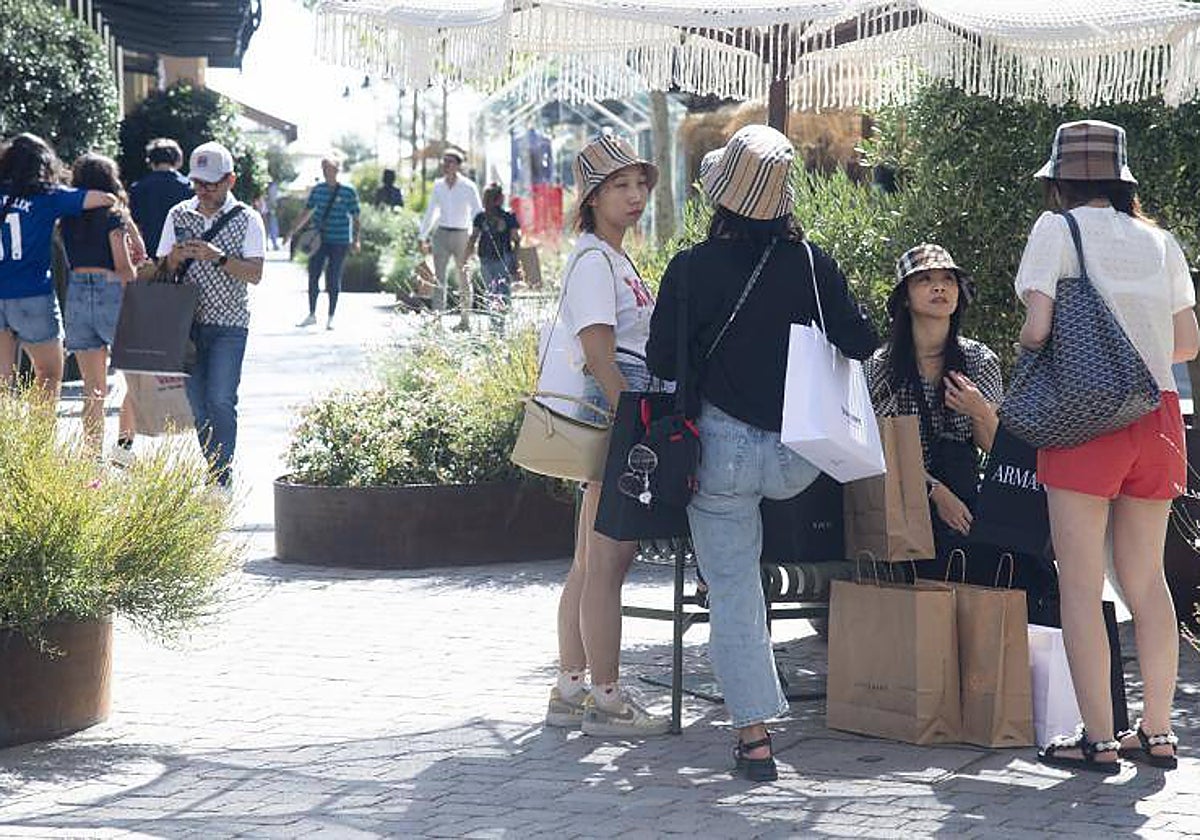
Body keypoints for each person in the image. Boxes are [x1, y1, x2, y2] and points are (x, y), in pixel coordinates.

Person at [647, 125, 879, 780]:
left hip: (719, 455)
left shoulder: (691, 268)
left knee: (734, 590)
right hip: (799, 456)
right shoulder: (810, 263)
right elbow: (861, 342)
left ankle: (753, 738)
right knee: (748, 564)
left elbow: (664, 358)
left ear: (720, 201)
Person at [1018, 120, 1199, 773]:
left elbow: (1037, 330)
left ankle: (1096, 738)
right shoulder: (1162, 242)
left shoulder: (1056, 231)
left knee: (1081, 582)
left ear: (1061, 180)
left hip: (1084, 417)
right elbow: (1186, 344)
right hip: (1157, 418)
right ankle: (1157, 732)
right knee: (1147, 579)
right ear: (1123, 181)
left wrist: (1043, 342)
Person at [543, 134, 669, 737]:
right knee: (606, 562)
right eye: (620, 185)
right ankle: (609, 698)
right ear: (592, 198)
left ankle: (571, 689)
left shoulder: (613, 258)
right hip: (614, 409)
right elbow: (600, 356)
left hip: (616, 408)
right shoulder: (595, 261)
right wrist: (635, 427)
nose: (636, 195)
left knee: (588, 559)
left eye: (640, 183)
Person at [864, 244, 1003, 576]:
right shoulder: (880, 367)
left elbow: (997, 448)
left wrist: (979, 410)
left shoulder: (978, 360)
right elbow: (879, 450)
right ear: (905, 298)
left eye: (948, 280)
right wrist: (935, 492)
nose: (940, 287)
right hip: (900, 503)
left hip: (965, 499)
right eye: (925, 280)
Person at [157, 141, 266, 490]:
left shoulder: (248, 219)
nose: (203, 190)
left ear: (230, 180)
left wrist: (218, 257)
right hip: (184, 325)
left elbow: (255, 274)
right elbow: (157, 268)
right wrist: (174, 258)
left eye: (211, 183)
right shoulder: (178, 214)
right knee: (197, 408)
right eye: (198, 183)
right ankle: (215, 466)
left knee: (221, 399)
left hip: (230, 324)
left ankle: (221, 476)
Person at [0, 133, 116, 397]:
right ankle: (39, 437)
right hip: (32, 294)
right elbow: (104, 198)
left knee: (2, 382)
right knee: (48, 372)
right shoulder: (47, 196)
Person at [61, 153, 144, 455]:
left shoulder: (68, 217)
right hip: (112, 291)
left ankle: (91, 456)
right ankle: (123, 447)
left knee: (93, 388)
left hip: (78, 292)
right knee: (136, 377)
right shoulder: (113, 216)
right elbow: (126, 265)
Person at [287, 154, 361, 330]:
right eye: (325, 168)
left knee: (333, 277)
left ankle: (331, 316)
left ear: (337, 170)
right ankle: (312, 314)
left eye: (330, 168)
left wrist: (356, 239)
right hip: (318, 240)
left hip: (340, 240)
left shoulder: (348, 191)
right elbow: (306, 212)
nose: (328, 171)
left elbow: (356, 217)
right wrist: (292, 231)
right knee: (313, 275)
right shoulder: (317, 190)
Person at [419, 147, 482, 329]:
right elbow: (431, 212)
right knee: (439, 279)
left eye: (449, 162)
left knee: (464, 278)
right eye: (444, 162)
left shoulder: (468, 186)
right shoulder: (438, 185)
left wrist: (474, 239)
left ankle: (465, 320)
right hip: (442, 234)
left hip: (462, 234)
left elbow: (477, 213)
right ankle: (437, 319)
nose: (445, 165)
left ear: (458, 165)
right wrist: (422, 236)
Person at [466, 183, 520, 332]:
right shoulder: (508, 217)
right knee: (503, 292)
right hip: (503, 257)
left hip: (485, 258)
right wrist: (516, 260)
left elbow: (473, 238)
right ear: (500, 198)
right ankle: (499, 326)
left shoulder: (481, 217)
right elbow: (516, 238)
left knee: (491, 291)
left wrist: (466, 257)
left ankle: (494, 325)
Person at [128, 138, 193, 260]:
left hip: (149, 254)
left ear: (151, 162)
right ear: (178, 160)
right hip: (180, 255)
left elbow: (134, 224)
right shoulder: (189, 187)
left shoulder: (138, 188)